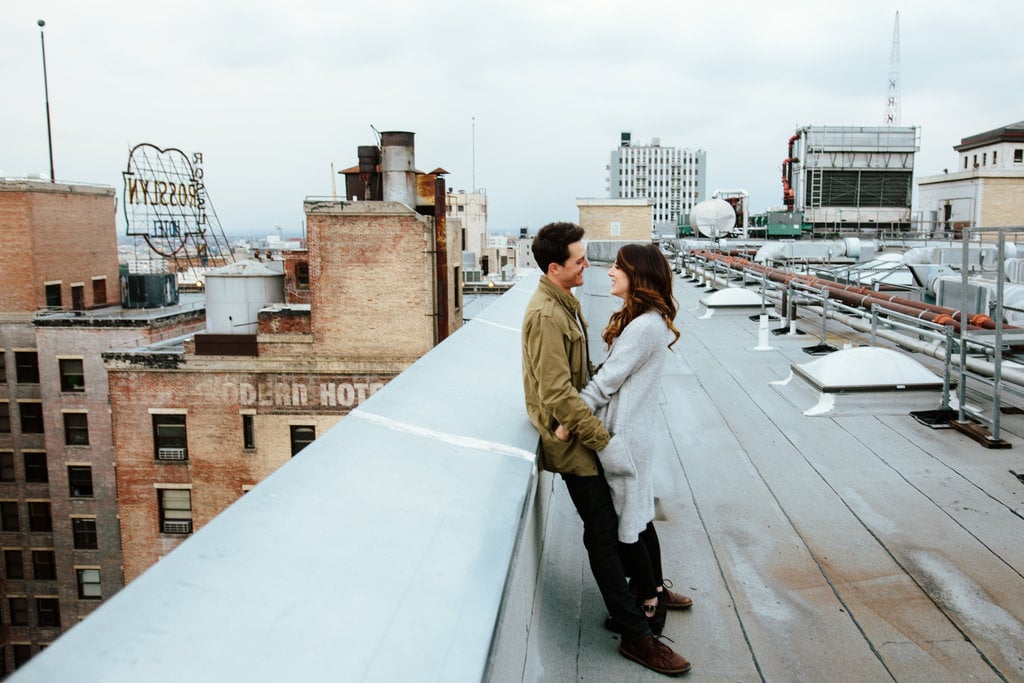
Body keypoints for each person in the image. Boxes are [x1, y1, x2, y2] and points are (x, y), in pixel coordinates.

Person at [521, 223, 690, 676]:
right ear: (556, 268)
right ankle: (638, 632)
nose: (591, 266)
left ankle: (645, 604)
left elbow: (589, 378)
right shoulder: (547, 315)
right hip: (581, 439)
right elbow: (560, 393)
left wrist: (587, 429)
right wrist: (599, 438)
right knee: (606, 534)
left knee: (618, 526)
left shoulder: (568, 305)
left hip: (584, 431)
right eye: (580, 260)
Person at [555, 243, 694, 639]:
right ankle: (659, 589)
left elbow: (606, 383)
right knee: (640, 515)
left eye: (618, 267)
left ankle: (650, 604)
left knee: (628, 524)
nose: (610, 272)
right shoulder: (644, 321)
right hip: (635, 433)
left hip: (625, 437)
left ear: (638, 275)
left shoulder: (645, 327)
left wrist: (568, 420)